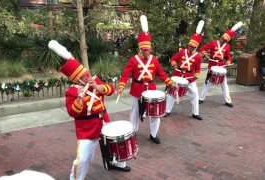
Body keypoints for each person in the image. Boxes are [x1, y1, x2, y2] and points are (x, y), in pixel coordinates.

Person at [48, 40, 131, 180]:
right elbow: (71, 112)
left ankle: (116, 164)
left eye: (88, 73)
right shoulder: (72, 92)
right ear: (78, 80)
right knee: (83, 160)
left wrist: (98, 88)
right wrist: (79, 99)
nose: (89, 75)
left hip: (103, 122)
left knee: (115, 145)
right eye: (85, 75)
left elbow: (110, 89)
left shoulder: (94, 82)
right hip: (87, 130)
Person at [117, 15, 178, 144]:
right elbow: (125, 74)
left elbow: (161, 74)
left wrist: (170, 83)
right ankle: (132, 132)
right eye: (144, 50)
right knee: (134, 113)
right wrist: (121, 86)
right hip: (137, 90)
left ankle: (153, 134)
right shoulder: (134, 60)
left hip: (151, 89)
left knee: (155, 113)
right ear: (140, 49)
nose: (147, 52)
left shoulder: (154, 59)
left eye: (148, 50)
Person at [164, 20, 205, 120]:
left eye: (192, 46)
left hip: (189, 77)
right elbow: (173, 59)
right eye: (189, 45)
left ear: (196, 47)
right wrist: (174, 65)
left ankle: (195, 113)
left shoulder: (198, 57)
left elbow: (198, 69)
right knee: (172, 93)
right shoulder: (182, 51)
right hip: (178, 74)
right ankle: (167, 111)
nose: (190, 47)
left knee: (195, 94)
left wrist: (197, 75)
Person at [199, 21, 243, 108]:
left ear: (227, 41)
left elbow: (229, 57)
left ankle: (228, 101)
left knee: (224, 84)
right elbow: (202, 48)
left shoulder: (227, 47)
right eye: (222, 38)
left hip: (221, 65)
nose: (223, 40)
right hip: (212, 64)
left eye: (225, 40)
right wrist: (206, 55)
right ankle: (201, 98)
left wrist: (228, 63)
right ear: (221, 37)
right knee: (207, 82)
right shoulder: (213, 43)